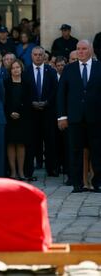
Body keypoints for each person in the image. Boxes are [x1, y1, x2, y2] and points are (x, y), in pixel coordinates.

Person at [58, 40, 101, 193]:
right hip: (75, 118)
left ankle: (97, 183)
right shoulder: (69, 69)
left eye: (83, 49)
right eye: (78, 49)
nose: (80, 52)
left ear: (91, 50)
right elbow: (61, 94)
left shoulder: (99, 67)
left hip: (96, 118)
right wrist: (61, 117)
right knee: (75, 151)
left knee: (97, 151)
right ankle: (77, 184)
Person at [24, 46, 59, 179]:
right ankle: (28, 170)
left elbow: (55, 90)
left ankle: (52, 169)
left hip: (47, 112)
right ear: (31, 56)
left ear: (44, 56)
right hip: (31, 113)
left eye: (40, 55)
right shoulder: (25, 71)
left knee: (50, 141)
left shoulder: (50, 71)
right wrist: (31, 102)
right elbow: (24, 92)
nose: (38, 57)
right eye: (35, 55)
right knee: (31, 142)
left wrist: (47, 102)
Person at [4, 59, 31, 180]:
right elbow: (3, 100)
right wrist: (10, 112)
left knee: (21, 144)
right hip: (9, 118)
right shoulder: (5, 83)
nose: (16, 70)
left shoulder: (27, 83)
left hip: (23, 118)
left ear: (21, 69)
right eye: (13, 68)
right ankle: (13, 172)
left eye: (18, 67)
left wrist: (20, 112)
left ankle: (21, 172)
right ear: (10, 70)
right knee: (10, 144)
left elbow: (28, 100)